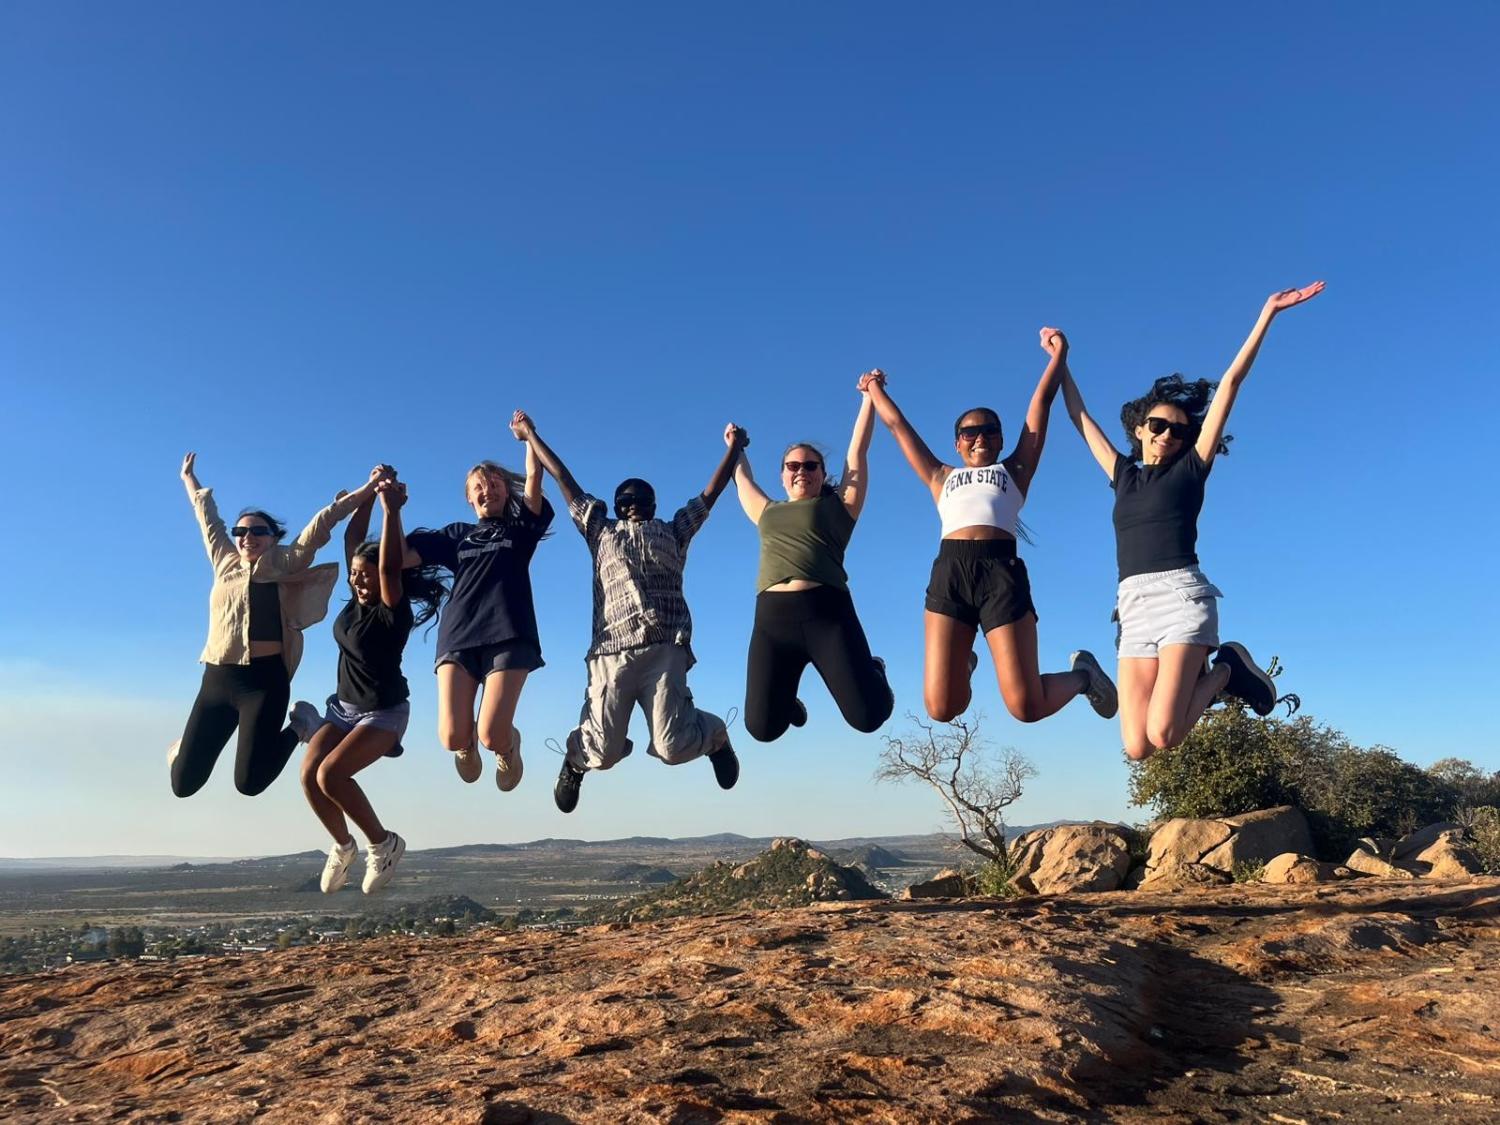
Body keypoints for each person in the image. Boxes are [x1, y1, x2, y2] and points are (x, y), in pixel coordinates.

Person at [1059, 282, 1325, 760]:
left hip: (1182, 597)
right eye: (1157, 426)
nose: (1166, 435)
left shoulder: (1191, 469)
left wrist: (1267, 313)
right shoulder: (1122, 475)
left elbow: (1230, 384)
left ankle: (1225, 671)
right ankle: (1220, 675)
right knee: (1137, 747)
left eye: (1178, 431)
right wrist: (1059, 361)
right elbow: (1079, 418)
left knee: (1163, 734)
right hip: (1132, 607)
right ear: (1139, 429)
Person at [863, 340, 1118, 725]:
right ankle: (963, 664)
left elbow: (1039, 407)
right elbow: (898, 428)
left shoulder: (1015, 470)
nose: (979, 436)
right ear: (957, 442)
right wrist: (874, 389)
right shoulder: (940, 475)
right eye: (969, 432)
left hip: (1002, 574)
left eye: (989, 430)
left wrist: (1058, 356)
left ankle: (1084, 675)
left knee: (1026, 708)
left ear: (1000, 439)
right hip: (950, 573)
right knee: (941, 708)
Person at [511, 411, 746, 812]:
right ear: (617, 507)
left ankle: (716, 737)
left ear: (653, 506)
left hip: (665, 649)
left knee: (671, 748)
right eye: (627, 501)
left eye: (640, 501)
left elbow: (710, 494)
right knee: (601, 752)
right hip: (610, 652)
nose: (634, 506)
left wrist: (735, 449)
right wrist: (532, 435)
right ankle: (575, 761)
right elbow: (564, 479)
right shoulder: (599, 531)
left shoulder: (675, 532)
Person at [169, 456, 386, 798]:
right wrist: (188, 479)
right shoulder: (225, 562)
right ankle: (188, 745)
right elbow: (207, 518)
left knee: (249, 783)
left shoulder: (286, 562)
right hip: (217, 679)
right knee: (183, 784)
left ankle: (300, 725)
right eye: (241, 532)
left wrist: (368, 489)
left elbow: (322, 523)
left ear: (273, 537)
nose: (247, 537)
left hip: (263, 683)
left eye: (258, 531)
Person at [295, 474, 447, 894]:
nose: (359, 581)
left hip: (383, 711)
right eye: (355, 575)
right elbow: (354, 541)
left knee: (332, 775)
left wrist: (391, 509)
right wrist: (366, 494)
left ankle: (383, 843)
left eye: (368, 575)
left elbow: (387, 566)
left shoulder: (391, 610)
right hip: (343, 709)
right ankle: (344, 847)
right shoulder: (355, 598)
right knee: (309, 776)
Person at [732, 376, 895, 741]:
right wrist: (736, 447)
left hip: (828, 615)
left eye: (810, 466)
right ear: (783, 476)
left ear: (822, 475)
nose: (801, 471)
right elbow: (741, 481)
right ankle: (786, 699)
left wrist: (868, 398)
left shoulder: (840, 507)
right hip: (773, 621)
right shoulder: (767, 511)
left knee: (868, 717)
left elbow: (858, 452)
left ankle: (875, 671)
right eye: (793, 466)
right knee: (762, 729)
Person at [401, 440, 553, 790]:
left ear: (505, 490)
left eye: (494, 483)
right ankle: (464, 744)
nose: (488, 490)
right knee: (453, 737)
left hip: (509, 632)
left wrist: (529, 436)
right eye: (478, 487)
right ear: (470, 499)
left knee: (492, 734)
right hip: (458, 633)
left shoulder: (521, 528)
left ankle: (508, 745)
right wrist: (390, 508)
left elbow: (534, 475)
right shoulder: (457, 535)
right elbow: (402, 556)